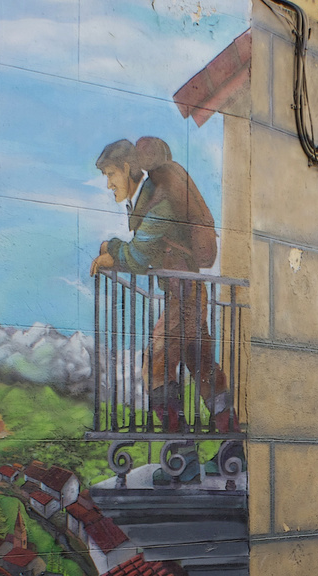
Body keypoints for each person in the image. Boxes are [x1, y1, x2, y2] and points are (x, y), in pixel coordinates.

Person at [88, 137, 230, 437]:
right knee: (202, 369)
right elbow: (146, 249)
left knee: (156, 365)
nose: (110, 183)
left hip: (184, 296)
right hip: (190, 294)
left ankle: (181, 455)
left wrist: (112, 251)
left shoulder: (159, 197)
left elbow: (140, 255)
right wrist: (113, 250)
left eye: (111, 174)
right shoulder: (157, 194)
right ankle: (231, 449)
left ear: (127, 168)